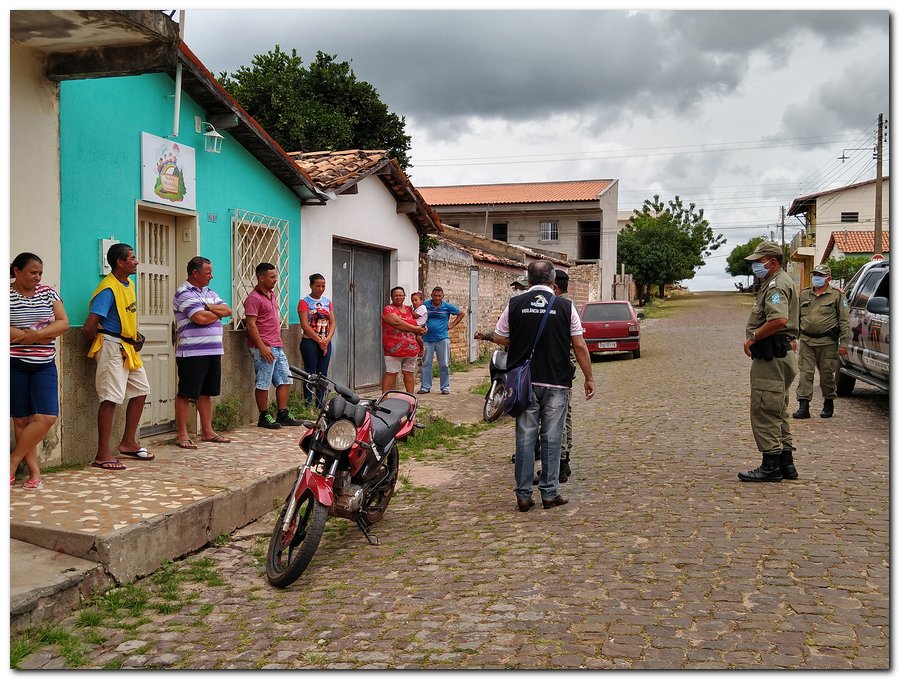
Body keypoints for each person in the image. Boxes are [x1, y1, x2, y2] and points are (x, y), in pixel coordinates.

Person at [490, 260, 595, 512]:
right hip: (557, 381)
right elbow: (579, 345)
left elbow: (498, 336)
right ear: (552, 282)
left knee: (525, 437)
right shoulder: (565, 305)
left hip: (524, 381)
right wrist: (589, 377)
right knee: (552, 437)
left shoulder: (515, 304)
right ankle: (549, 493)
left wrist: (521, 338)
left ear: (528, 280)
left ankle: (524, 496)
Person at [84, 243, 154, 470]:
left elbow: (124, 316)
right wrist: (109, 343)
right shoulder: (108, 289)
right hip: (112, 347)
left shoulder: (129, 284)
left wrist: (134, 336)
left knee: (141, 390)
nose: (136, 261)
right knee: (110, 398)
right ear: (119, 262)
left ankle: (128, 443)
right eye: (132, 258)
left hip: (127, 346)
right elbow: (89, 327)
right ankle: (102, 453)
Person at [738, 241, 799, 482]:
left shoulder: (776, 284)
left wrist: (753, 338)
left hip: (772, 356)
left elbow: (779, 319)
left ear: (772, 262)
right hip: (780, 354)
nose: (756, 265)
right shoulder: (775, 282)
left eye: (759, 261)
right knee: (778, 408)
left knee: (765, 408)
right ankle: (786, 463)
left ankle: (770, 465)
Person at [9, 252, 69, 488]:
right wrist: (37, 336)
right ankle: (34, 472)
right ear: (17, 271)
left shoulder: (48, 293)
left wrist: (37, 335)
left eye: (40, 273)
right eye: (33, 272)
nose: (37, 277)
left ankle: (12, 462)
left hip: (44, 364)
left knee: (47, 416)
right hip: (14, 364)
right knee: (22, 419)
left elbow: (62, 322)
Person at [172, 256, 233, 449]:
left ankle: (207, 431)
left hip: (213, 350)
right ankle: (182, 434)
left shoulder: (210, 292)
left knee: (206, 393)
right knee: (186, 393)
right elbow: (199, 318)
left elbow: (228, 310)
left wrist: (209, 308)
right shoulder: (183, 293)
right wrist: (214, 312)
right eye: (208, 273)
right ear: (195, 273)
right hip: (191, 352)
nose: (212, 276)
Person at [244, 262, 303, 429]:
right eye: (272, 277)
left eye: (275, 276)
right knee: (263, 382)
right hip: (263, 347)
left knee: (285, 379)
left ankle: (282, 413)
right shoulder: (253, 299)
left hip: (277, 345)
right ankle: (263, 416)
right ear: (261, 278)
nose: (275, 280)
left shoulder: (272, 295)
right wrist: (262, 347)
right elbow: (251, 325)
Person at [792, 264, 850, 420]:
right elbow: (795, 318)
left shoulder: (837, 296)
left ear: (828, 278)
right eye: (815, 274)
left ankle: (828, 401)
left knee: (826, 375)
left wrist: (844, 344)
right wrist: (792, 338)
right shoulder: (804, 295)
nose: (816, 277)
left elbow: (844, 320)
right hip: (806, 341)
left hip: (827, 342)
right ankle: (803, 406)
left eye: (820, 275)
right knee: (805, 374)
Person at [552, 269, 577, 483]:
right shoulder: (570, 305)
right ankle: (565, 460)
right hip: (568, 368)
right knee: (566, 414)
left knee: (558, 417)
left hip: (559, 369)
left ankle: (560, 463)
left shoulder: (561, 306)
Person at [419, 286, 466, 395]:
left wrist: (452, 324)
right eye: (435, 296)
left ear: (443, 296)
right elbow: (418, 314)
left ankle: (445, 387)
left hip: (442, 338)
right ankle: (425, 387)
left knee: (444, 364)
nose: (437, 298)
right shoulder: (425, 305)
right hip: (427, 339)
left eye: (439, 296)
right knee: (426, 363)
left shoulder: (447, 306)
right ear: (431, 296)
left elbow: (461, 314)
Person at [298, 273, 335, 408]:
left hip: (326, 341)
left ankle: (321, 404)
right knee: (310, 373)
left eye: (323, 286)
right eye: (317, 286)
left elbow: (332, 322)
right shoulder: (304, 302)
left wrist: (327, 339)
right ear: (311, 286)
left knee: (322, 374)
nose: (320, 289)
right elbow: (304, 325)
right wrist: (320, 341)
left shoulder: (327, 302)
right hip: (310, 342)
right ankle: (308, 404)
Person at [381, 286, 426, 393]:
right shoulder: (388, 309)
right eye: (396, 295)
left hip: (411, 349)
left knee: (409, 374)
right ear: (391, 297)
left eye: (401, 295)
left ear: (404, 296)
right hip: (393, 350)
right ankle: (383, 399)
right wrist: (415, 328)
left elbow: (419, 320)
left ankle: (410, 399)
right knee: (391, 373)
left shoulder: (410, 309)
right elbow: (397, 323)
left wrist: (422, 329)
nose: (398, 297)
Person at [410, 291, 428, 356]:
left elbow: (416, 316)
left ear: (421, 301)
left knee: (418, 338)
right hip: (417, 326)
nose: (414, 302)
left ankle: (422, 348)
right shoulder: (417, 308)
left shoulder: (422, 307)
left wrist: (410, 310)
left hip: (421, 326)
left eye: (416, 300)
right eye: (412, 301)